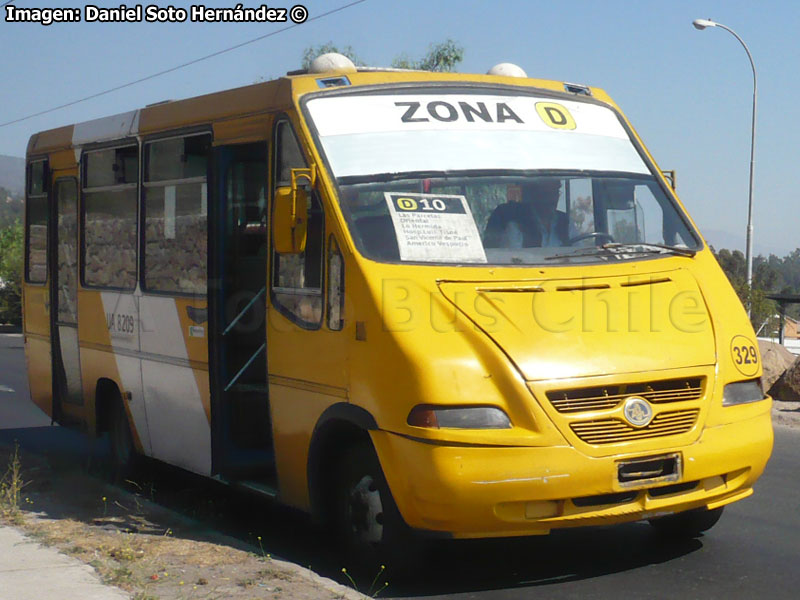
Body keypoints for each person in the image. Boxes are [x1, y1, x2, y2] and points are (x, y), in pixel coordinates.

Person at [484, 178, 569, 248]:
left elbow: (579, 251)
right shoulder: (515, 226)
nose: (552, 199)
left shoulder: (566, 222)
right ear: (535, 195)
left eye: (555, 192)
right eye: (546, 193)